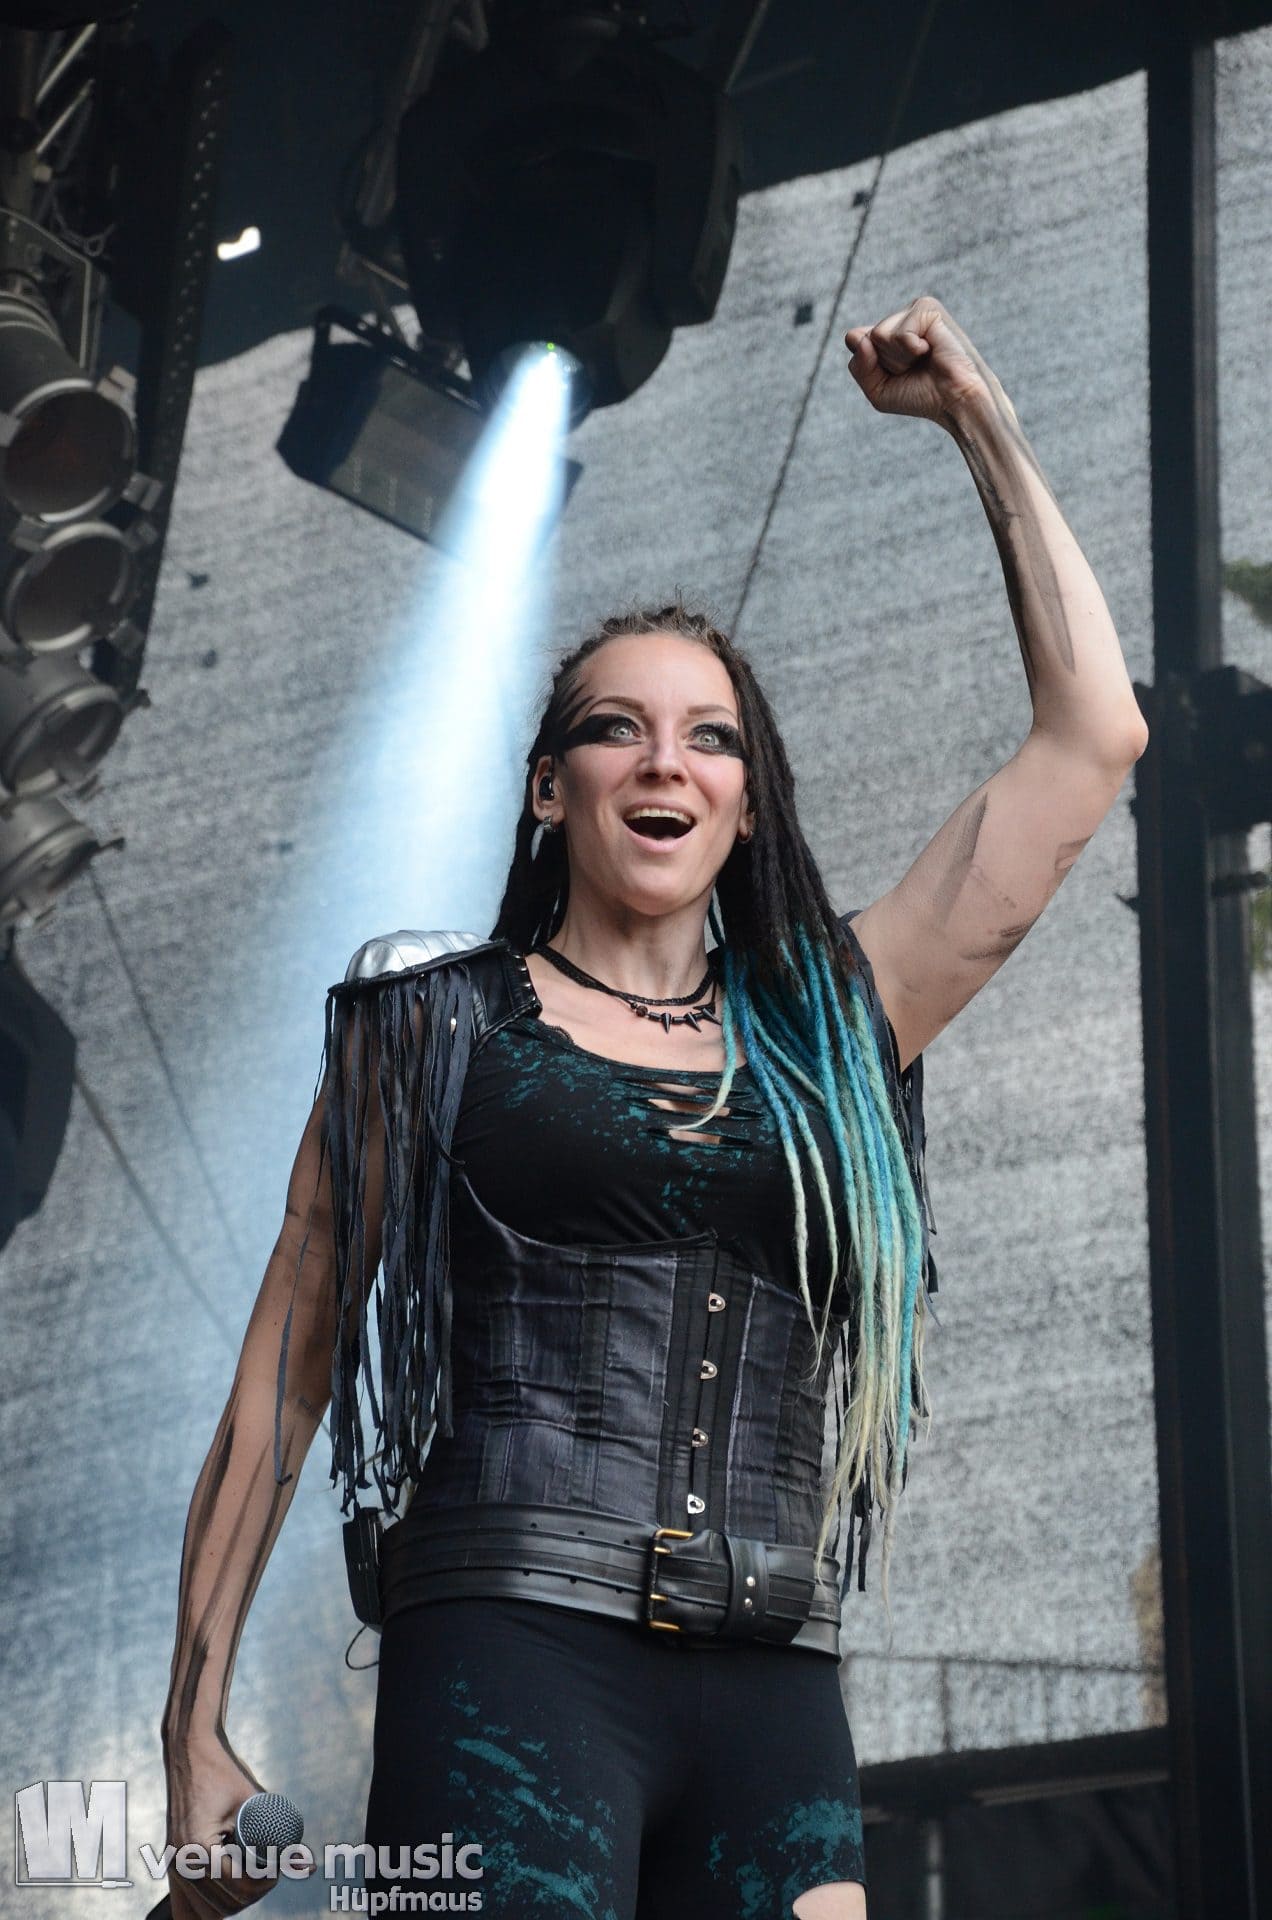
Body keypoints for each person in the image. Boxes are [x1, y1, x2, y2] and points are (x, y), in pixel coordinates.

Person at [161, 295, 1149, 1920]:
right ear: (551, 788)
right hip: (511, 1654)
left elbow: (1093, 735)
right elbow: (292, 1364)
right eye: (614, 728)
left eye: (709, 738)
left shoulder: (837, 1026)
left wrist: (980, 414)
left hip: (775, 1681)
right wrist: (190, 1728)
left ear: (747, 806)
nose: (662, 761)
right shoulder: (434, 1025)